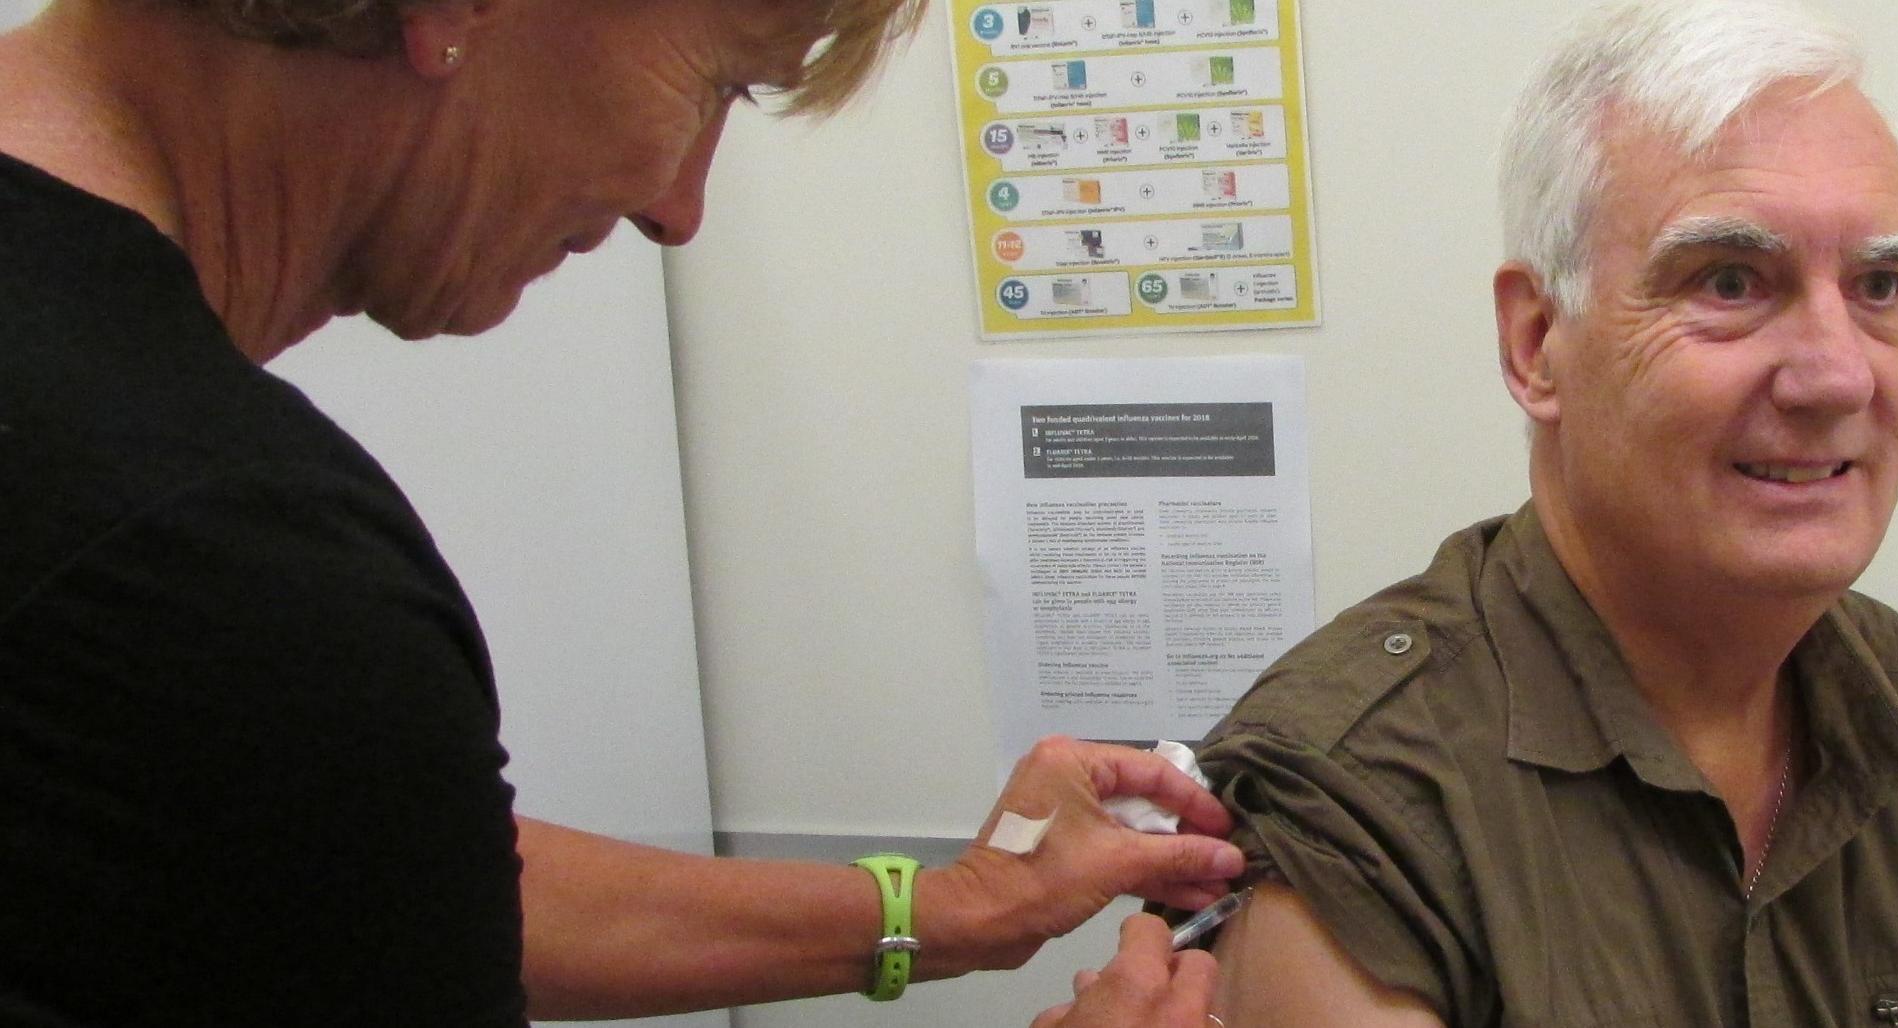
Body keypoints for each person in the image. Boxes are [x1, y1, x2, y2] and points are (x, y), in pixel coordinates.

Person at [0, 0, 1236, 1023]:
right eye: (717, 85)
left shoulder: (149, 582)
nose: (678, 207)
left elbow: (358, 877)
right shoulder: (212, 562)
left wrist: (960, 905)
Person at [1193, 1, 1898, 1025]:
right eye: (1731, 280)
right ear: (1535, 343)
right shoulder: (1361, 795)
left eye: (1879, 284)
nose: (1835, 375)